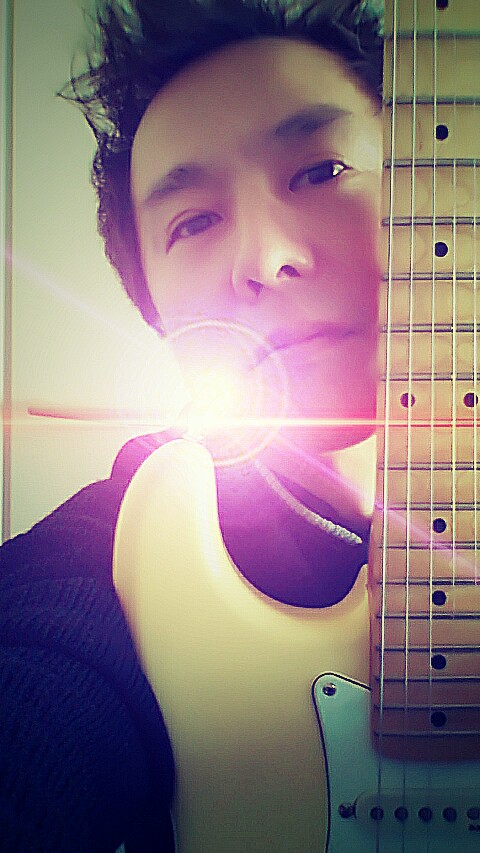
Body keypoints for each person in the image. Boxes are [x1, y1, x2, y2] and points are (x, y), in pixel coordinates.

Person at [0, 1, 384, 850]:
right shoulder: (132, 530)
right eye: (194, 221)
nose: (266, 259)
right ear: (158, 313)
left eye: (320, 171)